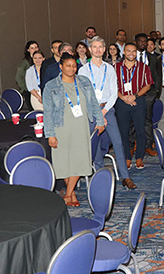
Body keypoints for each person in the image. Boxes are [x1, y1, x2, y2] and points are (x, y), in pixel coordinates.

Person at [42, 53, 105, 206]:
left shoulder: (84, 82)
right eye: (68, 65)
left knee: (79, 160)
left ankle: (68, 194)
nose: (71, 68)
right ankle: (72, 194)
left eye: (74, 65)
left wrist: (100, 120)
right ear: (61, 66)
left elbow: (94, 103)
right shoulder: (51, 86)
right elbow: (48, 112)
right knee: (63, 162)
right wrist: (50, 134)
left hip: (80, 127)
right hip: (60, 127)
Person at [78, 36, 136, 189]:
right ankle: (100, 176)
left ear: (104, 50)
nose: (97, 49)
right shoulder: (83, 70)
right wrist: (97, 114)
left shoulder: (109, 68)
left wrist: (103, 112)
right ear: (90, 50)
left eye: (100, 47)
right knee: (95, 144)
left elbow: (113, 93)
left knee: (117, 142)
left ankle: (125, 176)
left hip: (107, 109)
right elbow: (84, 95)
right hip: (91, 111)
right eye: (94, 47)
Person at [115, 43, 154, 170]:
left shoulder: (143, 67)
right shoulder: (115, 67)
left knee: (140, 131)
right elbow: (111, 86)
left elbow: (148, 85)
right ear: (124, 52)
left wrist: (134, 96)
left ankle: (139, 158)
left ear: (136, 53)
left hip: (138, 101)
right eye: (128, 51)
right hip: (121, 102)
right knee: (123, 131)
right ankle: (127, 157)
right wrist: (123, 97)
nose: (131, 53)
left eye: (133, 51)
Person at [135, 33, 161, 157]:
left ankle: (148, 145)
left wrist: (156, 92)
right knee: (132, 121)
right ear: (136, 42)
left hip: (149, 95)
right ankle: (133, 145)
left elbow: (157, 75)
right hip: (134, 95)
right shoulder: (131, 57)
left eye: (145, 41)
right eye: (140, 41)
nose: (143, 43)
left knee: (147, 120)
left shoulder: (152, 58)